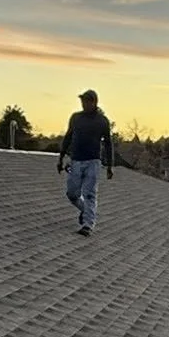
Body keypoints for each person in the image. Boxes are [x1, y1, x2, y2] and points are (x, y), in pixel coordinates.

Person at [56, 89, 115, 236]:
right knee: (72, 193)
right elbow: (68, 137)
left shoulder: (102, 121)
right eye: (82, 101)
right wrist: (61, 157)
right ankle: (85, 210)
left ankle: (88, 225)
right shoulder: (76, 118)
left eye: (87, 101)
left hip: (93, 161)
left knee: (90, 193)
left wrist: (109, 166)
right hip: (76, 160)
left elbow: (108, 143)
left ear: (94, 102)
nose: (84, 104)